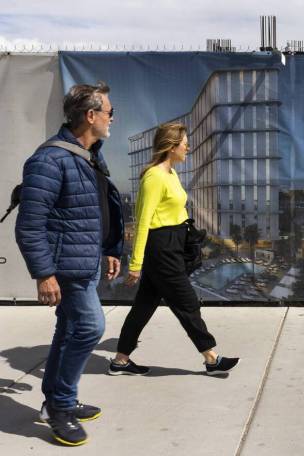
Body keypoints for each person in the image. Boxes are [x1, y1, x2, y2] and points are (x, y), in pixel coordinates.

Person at [15, 82, 123, 446]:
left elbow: (95, 211)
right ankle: (59, 407)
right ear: (91, 116)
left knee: (70, 328)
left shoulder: (89, 155)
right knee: (91, 327)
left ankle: (56, 400)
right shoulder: (49, 160)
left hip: (88, 259)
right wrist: (44, 273)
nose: (113, 118)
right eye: (109, 112)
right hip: (67, 265)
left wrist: (110, 248)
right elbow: (30, 225)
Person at [109, 122, 239, 377]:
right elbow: (143, 220)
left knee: (144, 306)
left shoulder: (171, 173)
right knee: (187, 301)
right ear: (171, 146)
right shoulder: (154, 176)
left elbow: (176, 210)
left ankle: (120, 361)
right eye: (184, 143)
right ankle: (211, 358)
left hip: (173, 244)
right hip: (161, 249)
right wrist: (135, 264)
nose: (188, 147)